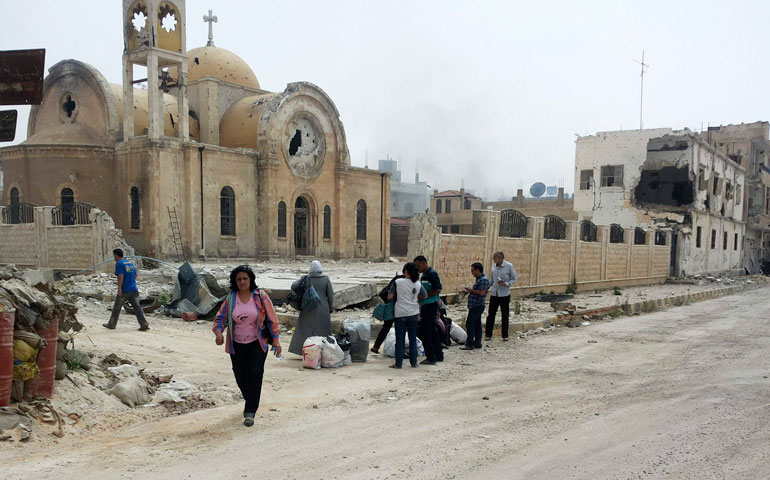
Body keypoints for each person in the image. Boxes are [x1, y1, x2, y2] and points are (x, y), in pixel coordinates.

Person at [213, 265, 281, 427]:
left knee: (255, 374)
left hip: (258, 343)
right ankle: (250, 398)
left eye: (245, 278)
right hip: (236, 344)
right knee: (240, 376)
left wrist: (276, 340)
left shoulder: (260, 297)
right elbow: (219, 319)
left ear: (251, 280)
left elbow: (272, 319)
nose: (242, 282)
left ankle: (250, 411)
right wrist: (218, 332)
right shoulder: (231, 299)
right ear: (234, 282)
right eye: (239, 279)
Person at [288, 260, 334, 356]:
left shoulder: (306, 278)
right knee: (323, 331)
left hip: (308, 307)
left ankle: (304, 351)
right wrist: (330, 308)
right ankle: (324, 353)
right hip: (323, 309)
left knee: (304, 331)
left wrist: (301, 280)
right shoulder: (325, 279)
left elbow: (293, 286)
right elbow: (330, 295)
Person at [387, 262, 427, 368]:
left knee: (399, 339)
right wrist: (414, 299)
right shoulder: (418, 284)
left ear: (406, 271)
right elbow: (424, 295)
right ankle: (413, 362)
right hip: (413, 313)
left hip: (400, 313)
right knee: (412, 338)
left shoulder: (398, 282)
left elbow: (389, 296)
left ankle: (398, 363)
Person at [103, 248, 149, 331]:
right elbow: (135, 274)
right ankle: (144, 323)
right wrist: (131, 282)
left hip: (125, 290)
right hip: (134, 289)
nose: (114, 257)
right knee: (137, 308)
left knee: (117, 308)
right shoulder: (129, 263)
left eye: (114, 255)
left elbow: (120, 276)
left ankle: (112, 324)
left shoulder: (119, 264)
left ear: (116, 255)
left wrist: (119, 288)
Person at [413, 255, 443, 365]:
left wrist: (425, 296)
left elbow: (438, 289)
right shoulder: (425, 275)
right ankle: (438, 355)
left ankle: (431, 357)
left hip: (430, 306)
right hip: (426, 305)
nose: (417, 268)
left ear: (424, 263)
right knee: (433, 331)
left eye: (418, 265)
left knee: (426, 332)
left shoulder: (432, 274)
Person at [485, 251, 518, 341]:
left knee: (504, 315)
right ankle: (488, 334)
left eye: (495, 257)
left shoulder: (509, 266)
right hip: (494, 294)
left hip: (504, 294)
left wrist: (506, 284)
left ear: (500, 258)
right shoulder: (494, 268)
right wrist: (486, 286)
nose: (493, 259)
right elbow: (492, 280)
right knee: (491, 314)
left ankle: (505, 335)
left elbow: (514, 278)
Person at [461, 262, 490, 350]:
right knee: (477, 324)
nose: (472, 273)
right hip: (474, 305)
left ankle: (470, 343)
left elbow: (482, 292)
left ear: (478, 270)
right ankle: (477, 343)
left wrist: (471, 291)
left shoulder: (483, 280)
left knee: (470, 323)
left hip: (477, 305)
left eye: (473, 271)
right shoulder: (479, 279)